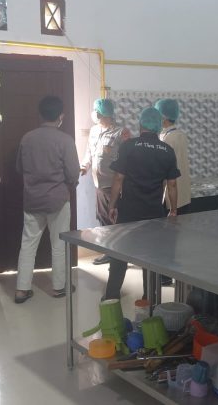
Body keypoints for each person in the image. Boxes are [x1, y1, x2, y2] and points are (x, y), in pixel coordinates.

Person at [104, 108, 180, 300]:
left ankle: (111, 296)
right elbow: (172, 184)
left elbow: (118, 179)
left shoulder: (129, 146)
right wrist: (173, 210)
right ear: (158, 126)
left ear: (141, 125)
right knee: (150, 255)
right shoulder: (167, 151)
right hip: (154, 211)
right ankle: (150, 296)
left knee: (119, 253)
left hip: (129, 210)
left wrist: (112, 205)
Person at [14, 96, 80, 304]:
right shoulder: (65, 140)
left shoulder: (27, 138)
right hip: (58, 200)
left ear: (40, 114)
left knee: (28, 244)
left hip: (32, 199)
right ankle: (59, 287)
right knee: (59, 244)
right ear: (61, 116)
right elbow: (73, 173)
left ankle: (22, 290)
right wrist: (70, 183)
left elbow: (19, 168)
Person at [80, 98, 131, 266]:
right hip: (99, 185)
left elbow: (127, 159)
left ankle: (119, 256)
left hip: (114, 186)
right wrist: (84, 166)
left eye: (95, 111)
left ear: (101, 113)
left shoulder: (121, 133)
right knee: (102, 219)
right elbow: (89, 153)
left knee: (116, 221)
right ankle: (108, 252)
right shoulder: (94, 131)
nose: (93, 114)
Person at [156, 99, 191, 215]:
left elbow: (164, 169)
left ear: (163, 118)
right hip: (183, 194)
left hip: (172, 197)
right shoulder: (180, 134)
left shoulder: (167, 139)